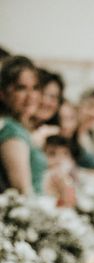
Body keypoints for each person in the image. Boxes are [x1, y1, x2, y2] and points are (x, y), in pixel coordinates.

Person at [0, 55, 47, 194]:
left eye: (35, 88)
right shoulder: (11, 131)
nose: (31, 96)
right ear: (3, 93)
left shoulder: (21, 128)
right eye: (21, 88)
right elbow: (23, 190)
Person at [42, 134, 76, 207]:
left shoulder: (68, 176)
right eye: (52, 154)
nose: (59, 159)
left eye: (65, 154)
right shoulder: (46, 175)